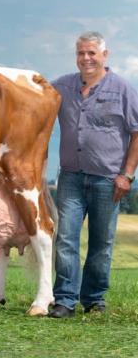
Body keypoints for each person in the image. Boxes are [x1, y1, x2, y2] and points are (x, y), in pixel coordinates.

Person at [48, 31, 138, 318]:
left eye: (91, 53)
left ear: (104, 55)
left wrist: (127, 175)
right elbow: (35, 99)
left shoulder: (122, 89)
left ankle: (94, 299)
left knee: (101, 243)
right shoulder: (63, 86)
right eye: (80, 53)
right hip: (71, 177)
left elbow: (136, 133)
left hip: (108, 180)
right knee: (65, 239)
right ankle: (64, 300)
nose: (86, 59)